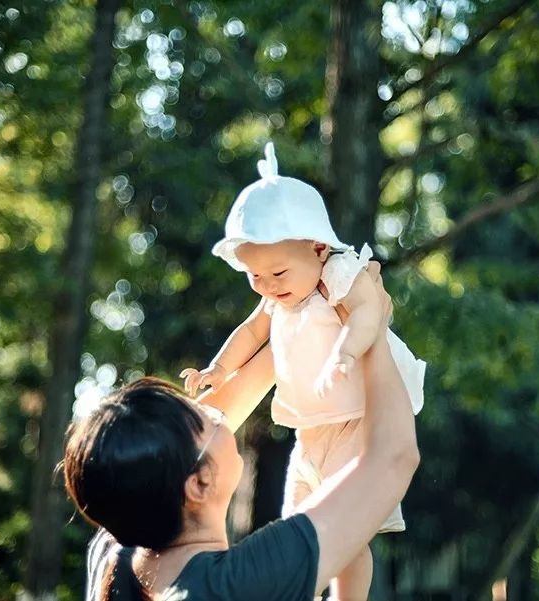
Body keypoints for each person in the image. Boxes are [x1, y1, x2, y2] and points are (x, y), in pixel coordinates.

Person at [63, 262, 419, 600]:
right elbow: (393, 457)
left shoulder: (119, 547)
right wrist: (372, 330)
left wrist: (309, 314)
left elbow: (248, 384)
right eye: (205, 420)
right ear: (199, 483)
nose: (217, 413)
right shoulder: (242, 582)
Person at [179, 142, 425, 597]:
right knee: (299, 518)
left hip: (356, 420)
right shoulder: (278, 295)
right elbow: (251, 333)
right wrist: (218, 368)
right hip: (311, 426)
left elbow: (369, 313)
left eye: (277, 274)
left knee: (348, 525)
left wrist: (346, 353)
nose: (268, 287)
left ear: (317, 248)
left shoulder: (338, 274)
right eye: (255, 277)